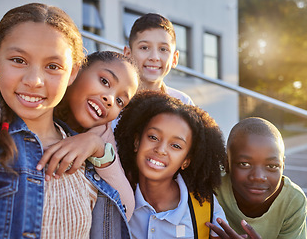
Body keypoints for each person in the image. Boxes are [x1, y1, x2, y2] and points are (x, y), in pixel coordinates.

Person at [0, 3, 138, 238]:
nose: (34, 80)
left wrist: (96, 147)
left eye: (53, 66)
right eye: (18, 60)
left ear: (73, 73)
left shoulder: (90, 150)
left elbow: (121, 213)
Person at [114, 90, 227, 238]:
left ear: (186, 161)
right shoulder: (115, 197)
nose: (160, 150)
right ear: (137, 142)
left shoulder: (206, 209)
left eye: (176, 146)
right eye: (153, 137)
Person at [208, 117, 307, 239]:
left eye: (272, 166)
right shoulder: (212, 188)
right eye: (245, 164)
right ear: (226, 163)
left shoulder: (293, 201)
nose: (258, 177)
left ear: (283, 165)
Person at [124, 13, 194, 105]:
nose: (154, 57)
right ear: (128, 54)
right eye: (144, 48)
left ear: (174, 58)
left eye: (163, 49)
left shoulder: (184, 103)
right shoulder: (112, 102)